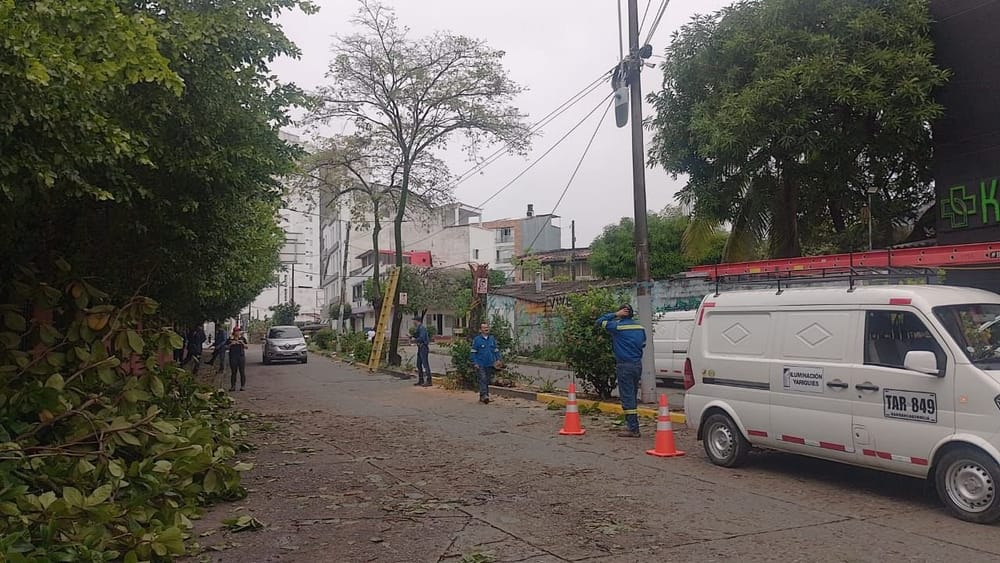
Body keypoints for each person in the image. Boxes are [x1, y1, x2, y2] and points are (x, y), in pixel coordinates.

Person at [597, 304, 646, 438]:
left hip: (624, 365)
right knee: (633, 394)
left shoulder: (617, 327)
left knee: (627, 397)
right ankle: (632, 424)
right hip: (637, 365)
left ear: (623, 313)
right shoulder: (640, 328)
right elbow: (643, 344)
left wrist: (615, 314)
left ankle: (633, 428)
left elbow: (600, 322)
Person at [470, 323, 501, 404]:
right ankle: (484, 395)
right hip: (480, 363)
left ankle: (483, 396)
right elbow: (473, 352)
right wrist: (474, 362)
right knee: (483, 378)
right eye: (484, 328)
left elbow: (495, 350)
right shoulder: (477, 340)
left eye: (487, 327)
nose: (486, 329)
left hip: (490, 364)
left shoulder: (492, 339)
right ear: (481, 330)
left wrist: (498, 359)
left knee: (486, 380)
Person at [412, 316, 431, 387]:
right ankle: (421, 380)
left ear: (417, 321)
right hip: (420, 347)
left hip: (423, 347)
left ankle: (429, 380)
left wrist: (414, 340)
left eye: (414, 321)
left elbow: (422, 338)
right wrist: (412, 337)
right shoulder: (418, 328)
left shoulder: (422, 328)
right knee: (418, 364)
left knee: (425, 364)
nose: (413, 322)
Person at [228, 327, 249, 392]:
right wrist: (231, 344)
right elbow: (226, 347)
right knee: (233, 372)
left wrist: (242, 343)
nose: (237, 332)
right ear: (234, 332)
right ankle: (233, 386)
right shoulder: (230, 339)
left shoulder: (242, 338)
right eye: (236, 331)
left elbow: (246, 347)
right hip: (233, 356)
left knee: (242, 372)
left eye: (238, 331)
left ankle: (242, 386)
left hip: (241, 356)